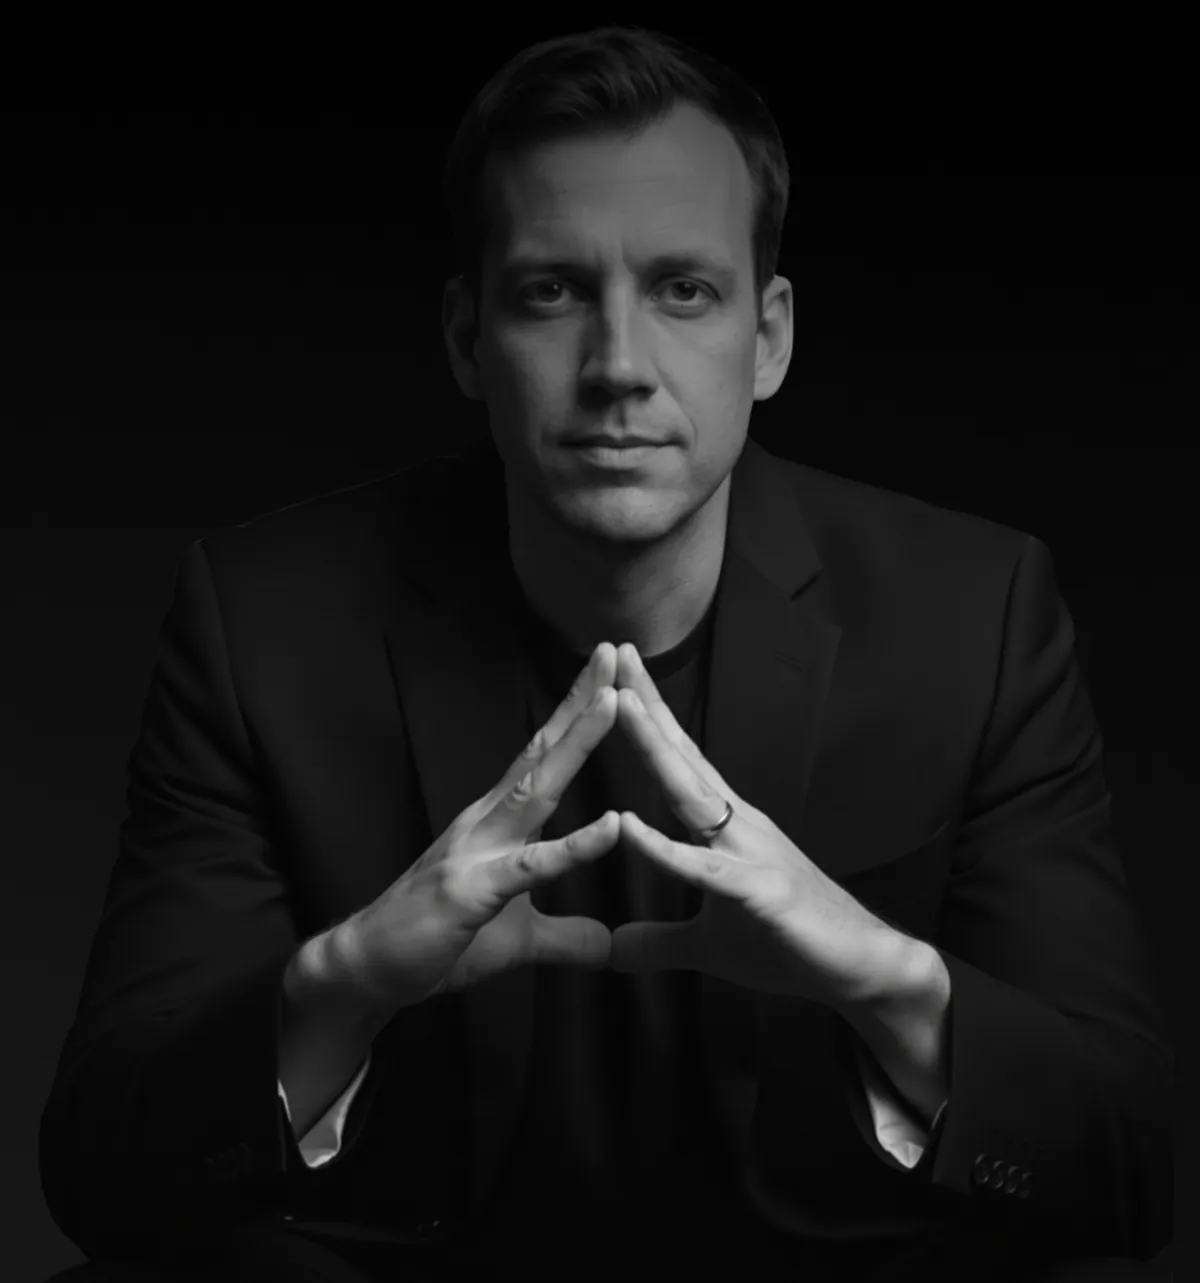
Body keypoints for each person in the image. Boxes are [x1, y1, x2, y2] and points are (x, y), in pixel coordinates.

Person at [39, 26, 1172, 1283]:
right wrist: (350, 978)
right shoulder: (267, 620)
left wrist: (883, 975)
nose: (619, 368)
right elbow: (102, 1172)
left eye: (684, 290)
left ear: (770, 337)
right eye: (552, 291)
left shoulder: (972, 612)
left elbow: (1126, 1169)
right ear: (467, 338)